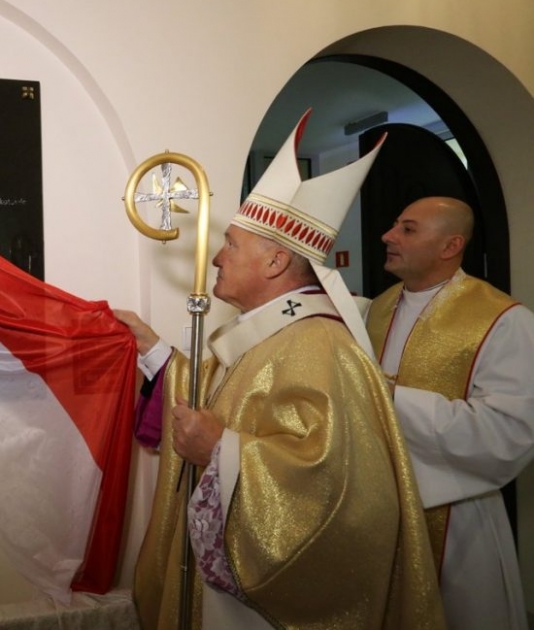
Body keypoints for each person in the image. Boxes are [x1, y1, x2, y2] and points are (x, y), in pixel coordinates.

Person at [116, 110, 444, 630]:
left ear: (274, 263)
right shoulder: (268, 333)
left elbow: (340, 494)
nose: (217, 259)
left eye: (231, 245)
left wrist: (221, 450)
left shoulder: (322, 346)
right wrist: (151, 348)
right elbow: (215, 392)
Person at [366, 196, 534, 630]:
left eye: (407, 229)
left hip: (460, 519)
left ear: (450, 246)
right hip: (380, 509)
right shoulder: (377, 309)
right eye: (395, 225)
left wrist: (386, 397)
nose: (387, 236)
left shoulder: (504, 320)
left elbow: (506, 433)